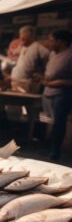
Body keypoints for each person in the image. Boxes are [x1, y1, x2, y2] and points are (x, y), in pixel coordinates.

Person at [42, 29, 72, 159]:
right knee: (46, 121)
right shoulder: (52, 54)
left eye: (52, 40)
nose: (49, 43)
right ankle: (46, 146)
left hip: (61, 95)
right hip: (47, 95)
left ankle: (55, 151)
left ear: (62, 42)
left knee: (58, 123)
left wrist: (60, 82)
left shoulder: (70, 55)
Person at [11, 26, 50, 91]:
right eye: (21, 38)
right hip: (17, 83)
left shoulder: (39, 48)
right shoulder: (23, 47)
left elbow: (48, 65)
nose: (21, 41)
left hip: (29, 85)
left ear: (31, 38)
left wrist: (41, 75)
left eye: (24, 39)